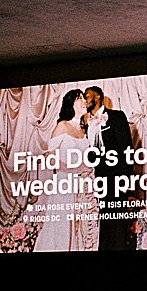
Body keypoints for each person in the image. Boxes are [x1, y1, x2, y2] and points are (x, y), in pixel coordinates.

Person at [32, 89, 98, 252]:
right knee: (63, 226)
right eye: (79, 99)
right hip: (65, 184)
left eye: (84, 98)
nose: (84, 101)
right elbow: (50, 158)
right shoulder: (62, 126)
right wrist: (73, 169)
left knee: (80, 225)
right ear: (70, 104)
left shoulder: (83, 129)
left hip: (81, 185)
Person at [84, 85, 136, 251]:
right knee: (104, 218)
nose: (85, 100)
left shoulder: (116, 116)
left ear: (98, 97)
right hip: (98, 177)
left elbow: (126, 146)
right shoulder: (85, 122)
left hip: (117, 176)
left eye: (87, 96)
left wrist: (127, 178)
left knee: (117, 218)